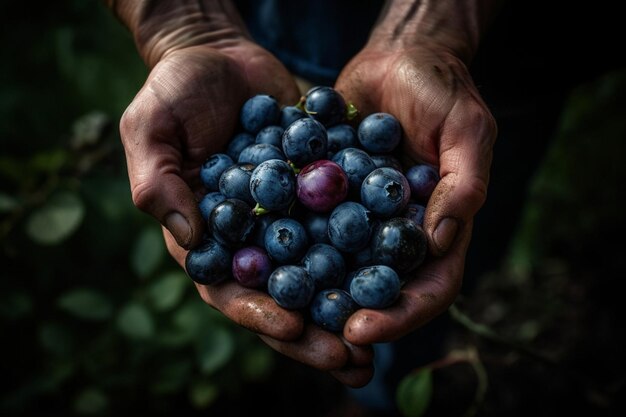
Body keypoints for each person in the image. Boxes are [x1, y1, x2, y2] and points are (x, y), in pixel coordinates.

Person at [103, 0, 503, 414]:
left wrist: (436, 34)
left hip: (492, 69)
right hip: (294, 36)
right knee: (419, 270)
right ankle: (379, 397)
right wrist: (187, 29)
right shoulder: (284, 182)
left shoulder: (346, 180)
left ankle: (391, 389)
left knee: (463, 230)